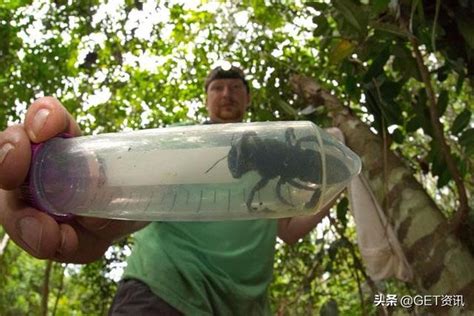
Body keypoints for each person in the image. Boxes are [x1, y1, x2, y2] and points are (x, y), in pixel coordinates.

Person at [0, 66, 332, 315]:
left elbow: (288, 228)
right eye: (217, 87)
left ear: (247, 97)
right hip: (164, 291)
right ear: (207, 98)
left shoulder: (278, 146)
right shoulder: (181, 138)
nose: (227, 93)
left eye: (235, 87)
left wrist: (335, 184)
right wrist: (81, 189)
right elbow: (133, 190)